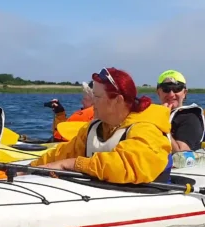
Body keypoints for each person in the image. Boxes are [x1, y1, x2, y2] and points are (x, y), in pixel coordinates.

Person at [31, 66, 172, 184]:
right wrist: (28, 169)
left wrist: (72, 164)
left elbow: (128, 165)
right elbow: (63, 153)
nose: (93, 103)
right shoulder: (94, 128)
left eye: (97, 97)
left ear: (117, 100)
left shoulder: (147, 129)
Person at [155, 69, 205, 152]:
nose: (171, 94)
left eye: (177, 88)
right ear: (158, 93)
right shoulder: (151, 114)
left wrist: (162, 122)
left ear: (184, 93)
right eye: (166, 89)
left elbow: (180, 153)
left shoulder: (191, 118)